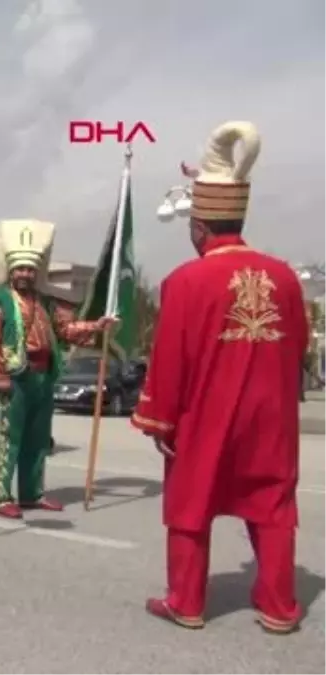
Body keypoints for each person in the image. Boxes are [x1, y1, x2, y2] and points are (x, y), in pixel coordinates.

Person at [131, 121, 306, 634]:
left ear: (200, 228)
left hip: (208, 416)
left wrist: (160, 422)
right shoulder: (285, 277)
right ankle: (279, 606)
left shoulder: (186, 281)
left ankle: (186, 601)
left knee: (191, 503)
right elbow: (295, 347)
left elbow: (170, 361)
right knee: (273, 504)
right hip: (271, 419)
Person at [0, 219, 111, 519]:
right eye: (20, 269)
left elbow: (65, 330)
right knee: (6, 439)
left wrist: (96, 326)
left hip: (42, 375)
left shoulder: (46, 303)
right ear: (11, 271)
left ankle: (32, 492)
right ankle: (0, 496)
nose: (25, 274)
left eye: (29, 269)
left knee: (38, 439)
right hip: (12, 379)